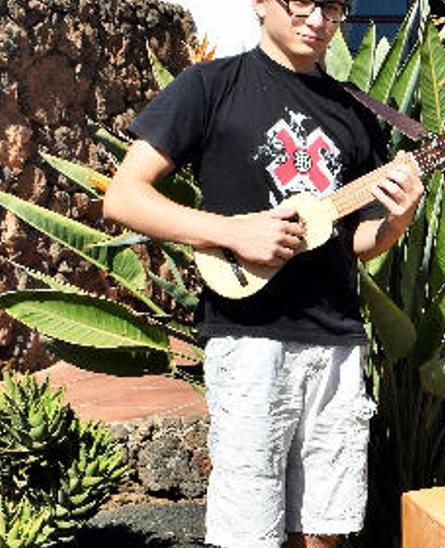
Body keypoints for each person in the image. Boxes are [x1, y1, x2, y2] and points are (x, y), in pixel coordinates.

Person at [103, 1, 424, 546]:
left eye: (334, 7)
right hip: (248, 337)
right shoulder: (210, 85)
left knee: (326, 526)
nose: (318, 19)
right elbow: (123, 196)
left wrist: (400, 216)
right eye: (303, 1)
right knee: (247, 529)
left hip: (336, 339)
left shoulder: (356, 112)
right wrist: (231, 233)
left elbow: (359, 246)